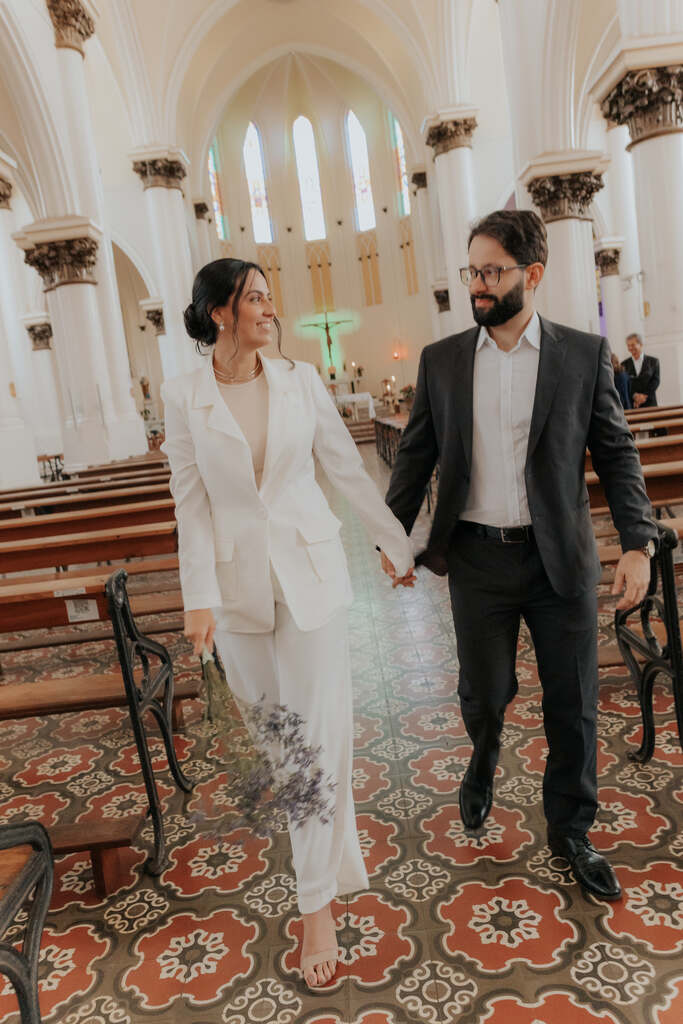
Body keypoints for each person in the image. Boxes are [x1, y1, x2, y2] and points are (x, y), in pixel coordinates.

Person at [382, 210, 657, 902]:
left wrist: (636, 542)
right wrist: (394, 538)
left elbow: (616, 454)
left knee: (573, 702)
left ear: (531, 275)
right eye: (472, 271)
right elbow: (414, 458)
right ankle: (483, 755)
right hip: (476, 559)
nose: (477, 284)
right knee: (484, 691)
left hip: (557, 557)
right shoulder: (442, 360)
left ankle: (571, 828)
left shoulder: (581, 355)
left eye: (491, 271)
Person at [160, 258, 415, 990]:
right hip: (236, 594)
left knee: (315, 743)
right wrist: (196, 597)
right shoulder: (184, 396)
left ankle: (315, 908)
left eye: (270, 297)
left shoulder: (300, 382)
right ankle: (329, 867)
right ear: (220, 312)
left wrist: (394, 543)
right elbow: (190, 503)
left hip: (311, 580)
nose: (270, 309)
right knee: (283, 747)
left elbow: (344, 469)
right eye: (256, 299)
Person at [622, 333, 660, 407]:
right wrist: (634, 396)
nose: (630, 348)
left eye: (633, 345)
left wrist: (644, 396)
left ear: (641, 344)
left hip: (650, 403)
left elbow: (656, 381)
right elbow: (625, 384)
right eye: (628, 345)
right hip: (633, 404)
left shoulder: (654, 361)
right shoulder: (623, 364)